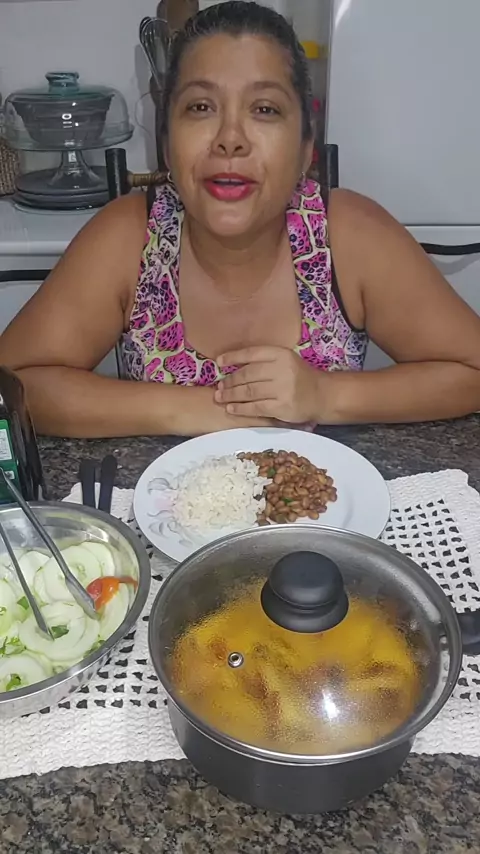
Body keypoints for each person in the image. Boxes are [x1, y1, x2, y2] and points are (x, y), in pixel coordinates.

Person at [1, 0, 480, 439]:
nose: (230, 138)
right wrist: (195, 409)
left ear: (305, 148)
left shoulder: (349, 234)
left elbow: (471, 369)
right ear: (166, 142)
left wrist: (325, 395)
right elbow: (13, 382)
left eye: (265, 109)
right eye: (201, 107)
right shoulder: (129, 236)